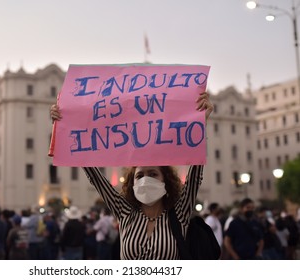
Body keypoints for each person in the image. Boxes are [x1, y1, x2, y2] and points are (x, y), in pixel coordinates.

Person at [50, 91, 213, 260]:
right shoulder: (124, 211)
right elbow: (94, 175)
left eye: (153, 174)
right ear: (132, 182)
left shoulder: (180, 212)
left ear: (166, 181)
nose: (145, 180)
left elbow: (195, 176)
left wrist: (201, 123)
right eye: (139, 175)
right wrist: (66, 124)